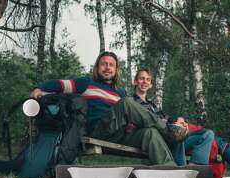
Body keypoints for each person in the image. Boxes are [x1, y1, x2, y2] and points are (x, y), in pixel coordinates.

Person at [30, 51, 188, 165]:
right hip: (99, 129)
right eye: (104, 64)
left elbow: (136, 114)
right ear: (98, 67)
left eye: (111, 65)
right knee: (126, 103)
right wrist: (39, 88)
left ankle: (169, 169)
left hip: (119, 133)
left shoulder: (120, 92)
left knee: (150, 132)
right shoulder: (87, 83)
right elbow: (60, 84)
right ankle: (168, 131)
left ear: (115, 69)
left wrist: (133, 125)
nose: (107, 67)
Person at [132, 67, 214, 166]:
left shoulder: (152, 104)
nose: (144, 82)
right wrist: (175, 128)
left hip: (172, 135)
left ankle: (195, 167)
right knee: (177, 136)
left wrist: (179, 120)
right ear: (135, 81)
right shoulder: (132, 103)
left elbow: (168, 119)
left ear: (151, 84)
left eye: (148, 79)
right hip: (161, 140)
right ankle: (182, 172)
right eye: (141, 78)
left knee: (207, 134)